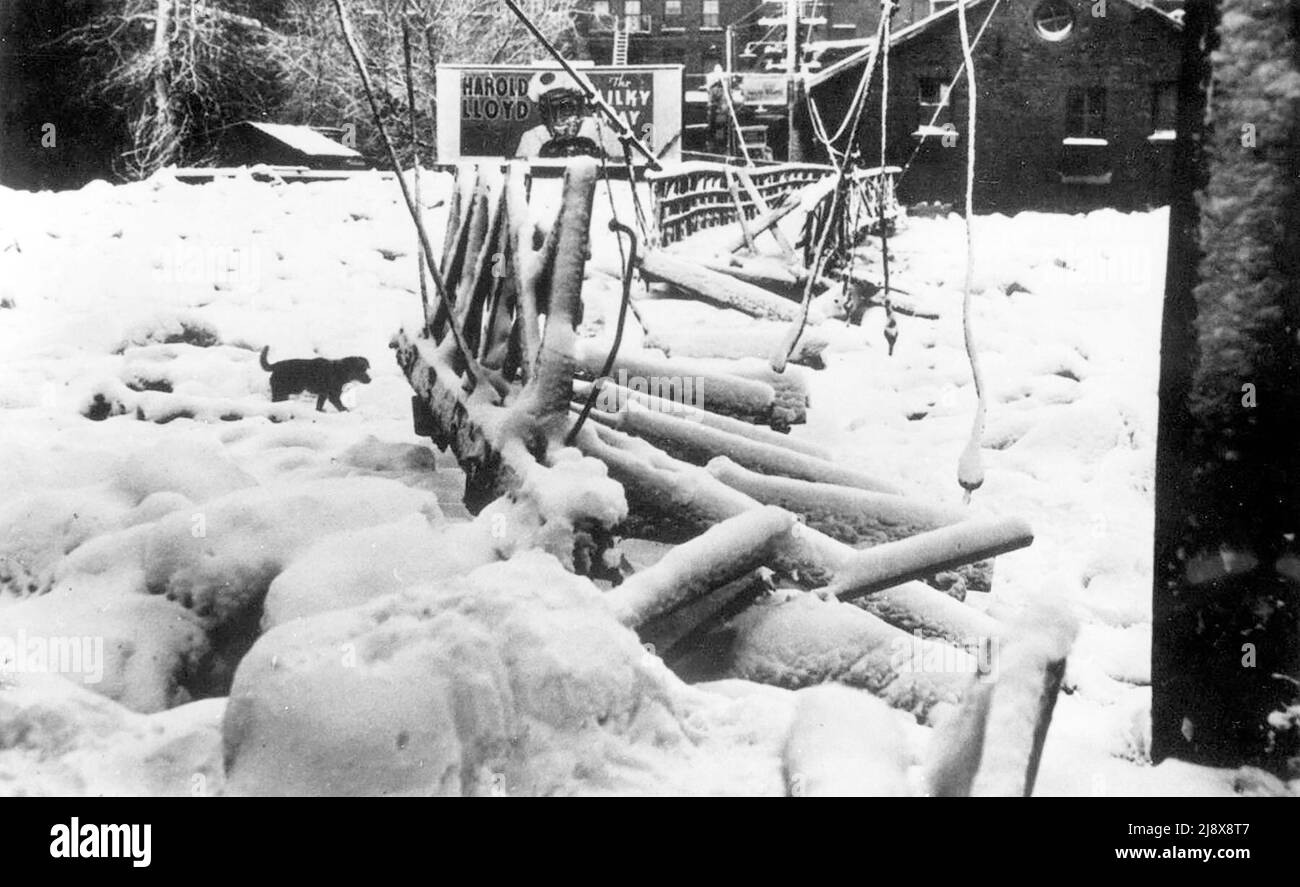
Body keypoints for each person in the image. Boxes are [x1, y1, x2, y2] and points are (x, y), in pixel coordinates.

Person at [513, 71, 621, 160]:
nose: (560, 114)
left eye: (566, 106)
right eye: (553, 108)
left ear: (578, 107)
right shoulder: (533, 137)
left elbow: (622, 171)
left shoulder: (599, 131)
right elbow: (521, 176)